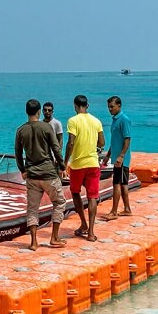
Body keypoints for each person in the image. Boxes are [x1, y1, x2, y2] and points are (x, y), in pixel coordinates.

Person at [14, 98, 67, 250]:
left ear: (26, 112)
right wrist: (62, 166)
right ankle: (54, 237)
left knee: (32, 209)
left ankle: (33, 242)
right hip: (48, 173)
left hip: (31, 175)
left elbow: (17, 153)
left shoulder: (20, 130)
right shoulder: (46, 127)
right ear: (39, 112)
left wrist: (22, 170)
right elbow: (56, 148)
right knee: (59, 202)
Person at [63, 94, 105, 242]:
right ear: (87, 106)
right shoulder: (96, 121)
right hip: (93, 163)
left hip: (78, 164)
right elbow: (102, 142)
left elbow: (70, 143)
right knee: (92, 196)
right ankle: (91, 232)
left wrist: (65, 161)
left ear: (75, 106)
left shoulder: (73, 121)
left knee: (75, 192)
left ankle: (83, 224)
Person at [100, 95, 133, 221]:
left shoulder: (124, 119)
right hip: (116, 157)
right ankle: (127, 209)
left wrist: (121, 156)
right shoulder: (115, 120)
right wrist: (107, 156)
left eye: (112, 107)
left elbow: (127, 139)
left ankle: (114, 212)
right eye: (108, 107)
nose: (110, 109)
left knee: (117, 184)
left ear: (119, 106)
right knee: (123, 184)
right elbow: (114, 141)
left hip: (122, 159)